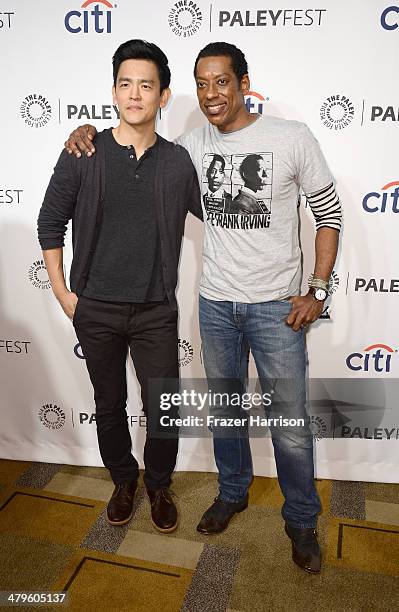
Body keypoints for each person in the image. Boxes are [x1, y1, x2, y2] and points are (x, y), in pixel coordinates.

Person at [63, 42, 342, 574]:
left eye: (222, 82)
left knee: (288, 422)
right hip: (215, 303)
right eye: (203, 83)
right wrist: (82, 135)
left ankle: (302, 519)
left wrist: (319, 290)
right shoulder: (189, 146)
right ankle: (233, 492)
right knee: (226, 413)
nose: (212, 94)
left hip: (276, 307)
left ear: (243, 83)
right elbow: (136, 143)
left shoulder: (291, 138)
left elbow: (329, 212)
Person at [38, 39, 202, 533]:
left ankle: (158, 484)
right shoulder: (83, 152)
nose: (135, 94)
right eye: (126, 84)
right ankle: (124, 481)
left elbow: (220, 218)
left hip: (155, 310)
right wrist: (63, 292)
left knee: (163, 409)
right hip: (97, 309)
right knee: (108, 405)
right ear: (114, 91)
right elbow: (50, 223)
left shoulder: (178, 162)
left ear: (163, 96)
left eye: (146, 85)